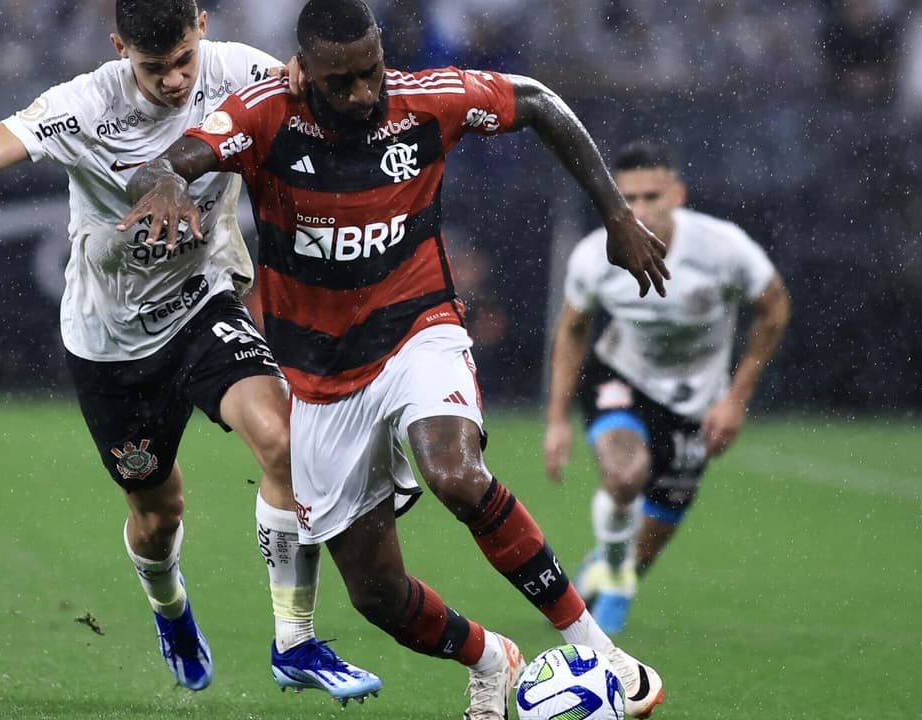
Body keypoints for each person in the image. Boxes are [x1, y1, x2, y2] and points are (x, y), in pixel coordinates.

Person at [0, 0, 382, 701]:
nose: (173, 81)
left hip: (202, 302)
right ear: (118, 46)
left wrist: (305, 75)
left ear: (203, 25)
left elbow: (346, 91)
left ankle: (295, 642)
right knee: (159, 515)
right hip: (110, 342)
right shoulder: (82, 105)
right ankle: (170, 610)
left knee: (282, 441)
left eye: (184, 61)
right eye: (153, 67)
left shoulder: (243, 74)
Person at [120, 1, 669, 717]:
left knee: (456, 473)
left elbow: (537, 101)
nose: (363, 94)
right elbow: (160, 164)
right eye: (342, 82)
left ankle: (603, 652)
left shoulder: (423, 103)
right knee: (378, 595)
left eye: (371, 72)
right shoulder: (263, 116)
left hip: (418, 332)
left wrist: (615, 214)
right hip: (320, 384)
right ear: (304, 73)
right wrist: (163, 184)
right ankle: (491, 658)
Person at [543, 140, 791, 634]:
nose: (637, 210)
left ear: (677, 194)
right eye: (626, 198)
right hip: (620, 377)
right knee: (625, 474)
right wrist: (556, 420)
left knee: (648, 545)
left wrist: (735, 399)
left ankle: (610, 562)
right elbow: (572, 329)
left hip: (696, 400)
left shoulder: (724, 248)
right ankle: (614, 578)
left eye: (651, 197)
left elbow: (775, 308)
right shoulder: (595, 256)